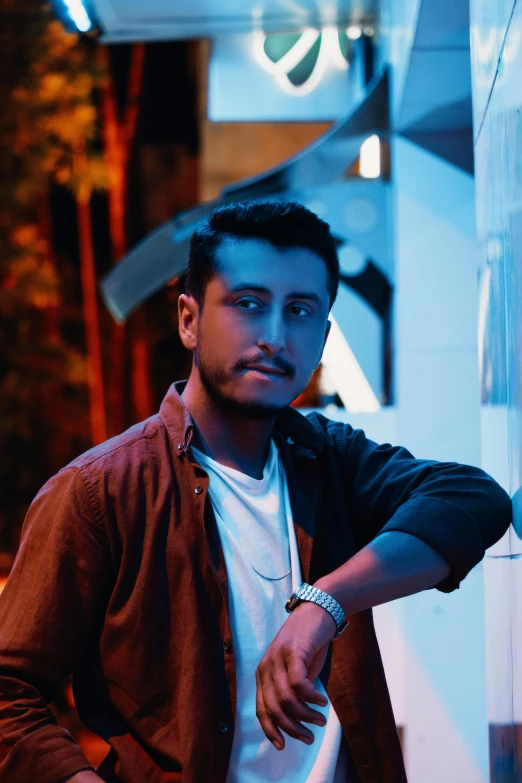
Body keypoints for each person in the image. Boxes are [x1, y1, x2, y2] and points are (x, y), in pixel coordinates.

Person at [0, 200, 512, 783]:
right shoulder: (100, 493)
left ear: (322, 337)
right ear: (189, 320)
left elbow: (475, 499)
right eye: (248, 304)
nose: (274, 336)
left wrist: (324, 605)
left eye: (299, 311)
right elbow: (9, 696)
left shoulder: (331, 460)